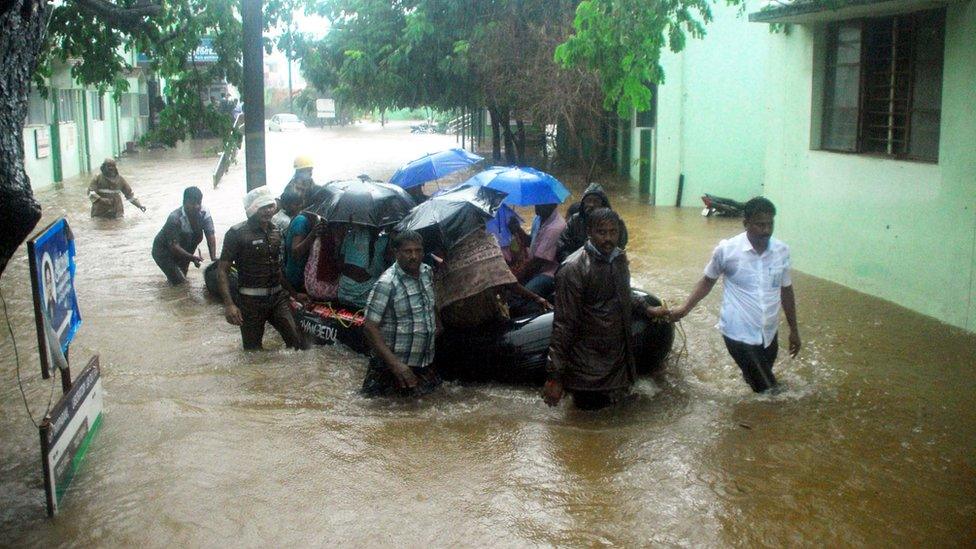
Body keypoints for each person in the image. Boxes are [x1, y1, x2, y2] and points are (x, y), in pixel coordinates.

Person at [669, 197, 801, 393]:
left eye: (770, 224)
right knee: (771, 392)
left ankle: (746, 416)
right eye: (760, 225)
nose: (766, 230)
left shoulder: (781, 251)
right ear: (746, 224)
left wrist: (794, 330)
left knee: (755, 384)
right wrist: (684, 308)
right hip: (738, 333)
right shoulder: (728, 251)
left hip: (768, 333)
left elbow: (786, 290)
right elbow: (707, 281)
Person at [543, 208, 668, 410]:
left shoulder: (618, 259)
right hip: (587, 369)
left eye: (613, 232)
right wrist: (555, 376)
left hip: (618, 360)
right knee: (588, 430)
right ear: (589, 233)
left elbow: (622, 293)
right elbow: (564, 324)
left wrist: (648, 309)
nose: (608, 238)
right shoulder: (573, 269)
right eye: (602, 232)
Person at [217, 187, 307, 351]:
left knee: (297, 346)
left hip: (277, 298)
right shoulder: (236, 234)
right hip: (250, 302)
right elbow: (222, 270)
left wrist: (294, 294)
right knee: (253, 353)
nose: (268, 211)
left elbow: (278, 268)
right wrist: (229, 304)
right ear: (252, 209)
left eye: (270, 206)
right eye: (262, 207)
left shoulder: (276, 231)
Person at [360, 230, 440, 398]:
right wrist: (395, 364)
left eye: (418, 251)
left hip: (423, 363)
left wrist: (437, 325)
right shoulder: (387, 283)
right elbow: (369, 326)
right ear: (396, 253)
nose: (414, 256)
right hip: (392, 368)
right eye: (408, 251)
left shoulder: (427, 273)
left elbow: (430, 305)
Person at [434, 228, 550, 330]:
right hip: (481, 313)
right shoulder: (487, 241)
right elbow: (506, 279)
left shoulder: (452, 244)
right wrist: (536, 298)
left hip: (454, 317)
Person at [151, 187, 217, 285]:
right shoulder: (175, 219)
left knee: (181, 278)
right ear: (184, 203)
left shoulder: (204, 213)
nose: (196, 206)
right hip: (163, 251)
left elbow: (210, 236)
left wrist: (213, 259)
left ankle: (168, 290)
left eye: (199, 203)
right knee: (181, 282)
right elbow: (174, 247)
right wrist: (192, 257)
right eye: (192, 203)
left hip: (185, 248)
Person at [556, 182, 629, 262]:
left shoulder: (615, 222)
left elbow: (620, 247)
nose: (591, 205)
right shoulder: (575, 220)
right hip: (576, 263)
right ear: (583, 203)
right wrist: (572, 261)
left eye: (596, 201)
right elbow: (562, 245)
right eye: (588, 200)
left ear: (603, 204)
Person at [512, 203, 566, 301]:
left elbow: (538, 262)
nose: (536, 206)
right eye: (537, 202)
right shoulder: (538, 218)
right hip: (535, 265)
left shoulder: (555, 227)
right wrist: (517, 229)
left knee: (525, 294)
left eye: (541, 204)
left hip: (549, 272)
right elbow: (531, 242)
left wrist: (516, 278)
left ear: (553, 205)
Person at [337, 226, 388, 310]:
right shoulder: (382, 241)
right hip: (364, 298)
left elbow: (341, 264)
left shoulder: (349, 235)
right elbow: (378, 271)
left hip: (343, 291)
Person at [279, 190, 316, 293]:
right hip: (297, 274)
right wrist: (313, 234)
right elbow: (296, 251)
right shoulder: (300, 220)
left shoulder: (294, 219)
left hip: (290, 271)